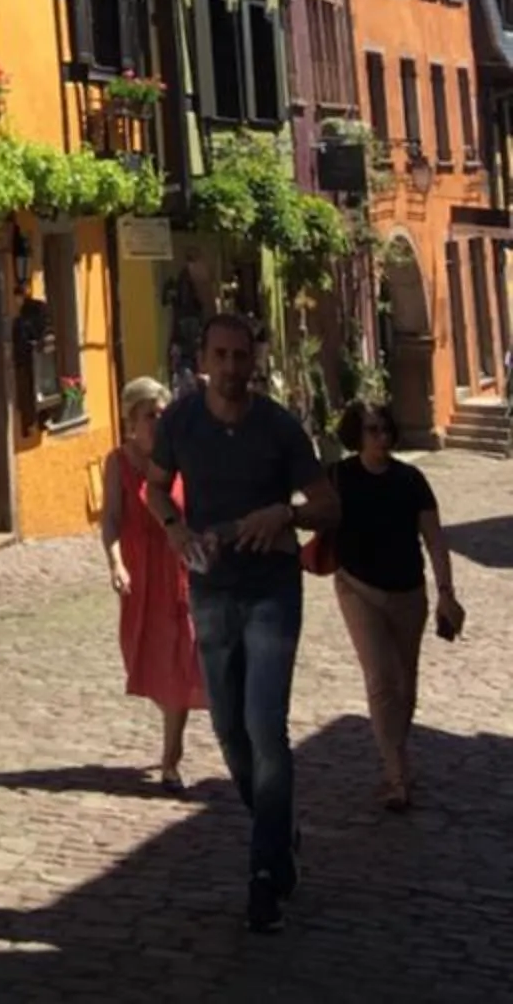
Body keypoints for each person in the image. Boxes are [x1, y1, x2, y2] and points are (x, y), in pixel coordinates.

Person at [143, 312, 339, 937]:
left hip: (271, 590)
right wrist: (174, 531)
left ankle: (262, 878)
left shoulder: (279, 427)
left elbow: (328, 506)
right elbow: (154, 489)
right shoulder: (179, 422)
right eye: (220, 356)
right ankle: (278, 832)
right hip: (210, 590)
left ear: (253, 360)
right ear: (203, 359)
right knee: (229, 732)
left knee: (265, 726)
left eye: (240, 356)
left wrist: (283, 511)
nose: (231, 367)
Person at [329, 400, 464, 809]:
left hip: (408, 593)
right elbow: (314, 512)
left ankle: (395, 758)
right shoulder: (338, 477)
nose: (381, 437)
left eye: (385, 429)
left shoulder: (411, 480)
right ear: (357, 434)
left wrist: (446, 592)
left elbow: (435, 539)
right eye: (372, 430)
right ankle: (397, 774)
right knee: (382, 678)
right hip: (357, 587)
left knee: (405, 683)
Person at [101, 376, 207, 787]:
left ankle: (170, 759)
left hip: (179, 573)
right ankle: (170, 734)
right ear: (132, 420)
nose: (156, 424)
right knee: (146, 654)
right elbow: (110, 518)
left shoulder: (180, 459)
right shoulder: (118, 462)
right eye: (149, 417)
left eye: (162, 416)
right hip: (140, 577)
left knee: (181, 658)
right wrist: (115, 564)